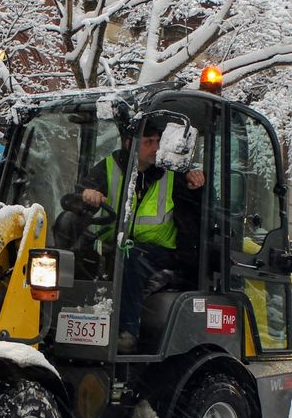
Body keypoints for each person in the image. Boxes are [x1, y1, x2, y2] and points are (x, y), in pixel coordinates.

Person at [81, 118, 205, 354]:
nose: (156, 147)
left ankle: (127, 332)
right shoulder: (110, 166)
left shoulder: (171, 174)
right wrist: (88, 194)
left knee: (130, 258)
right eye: (149, 142)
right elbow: (84, 189)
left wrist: (196, 184)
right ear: (130, 144)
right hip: (117, 244)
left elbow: (194, 209)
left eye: (158, 141)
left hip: (160, 252)